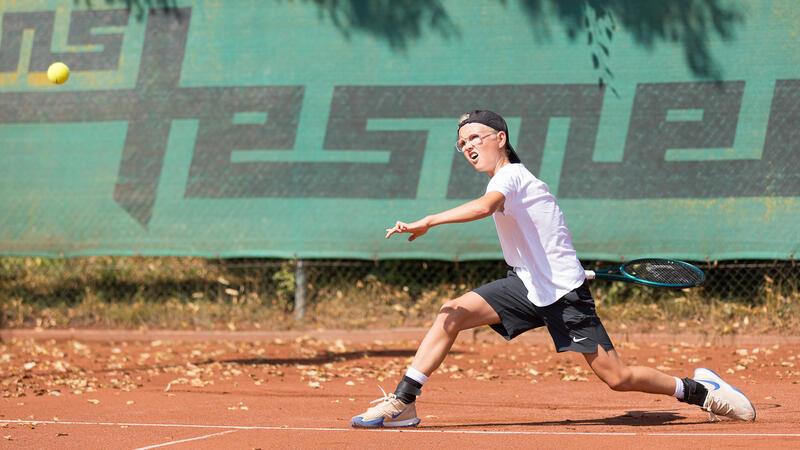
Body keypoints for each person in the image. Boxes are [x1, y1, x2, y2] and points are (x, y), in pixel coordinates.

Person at [350, 110, 756, 428]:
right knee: (451, 313)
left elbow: (485, 207)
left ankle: (702, 392)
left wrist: (429, 220)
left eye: (475, 137)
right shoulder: (504, 179)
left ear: (500, 139)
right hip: (524, 285)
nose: (468, 146)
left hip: (563, 294)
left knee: (617, 377)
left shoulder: (512, 177)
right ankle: (404, 401)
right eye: (462, 143)